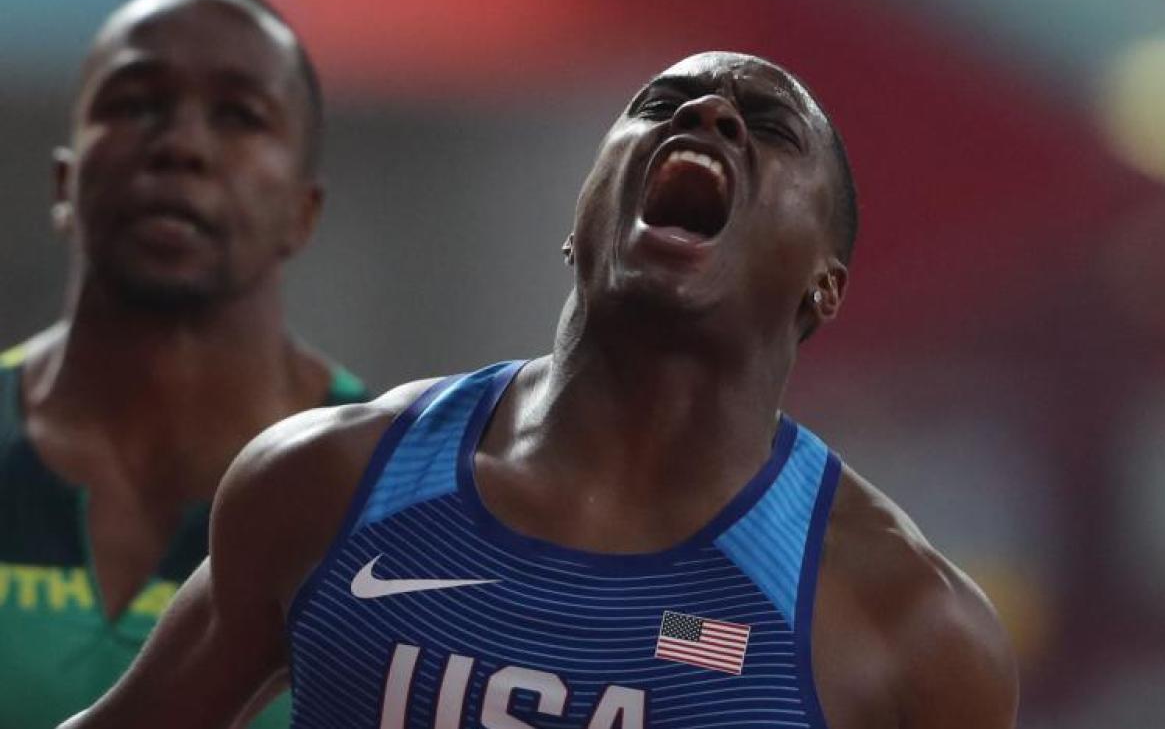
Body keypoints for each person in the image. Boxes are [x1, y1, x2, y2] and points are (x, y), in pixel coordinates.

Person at [62, 51, 1017, 729]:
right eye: (662, 101)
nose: (708, 117)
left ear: (826, 283)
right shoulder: (323, 481)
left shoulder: (908, 628)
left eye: (766, 127)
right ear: (581, 221)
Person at [0, 0, 368, 728]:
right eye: (135, 104)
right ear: (64, 183)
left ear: (304, 212)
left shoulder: (383, 486)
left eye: (239, 115)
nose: (181, 146)